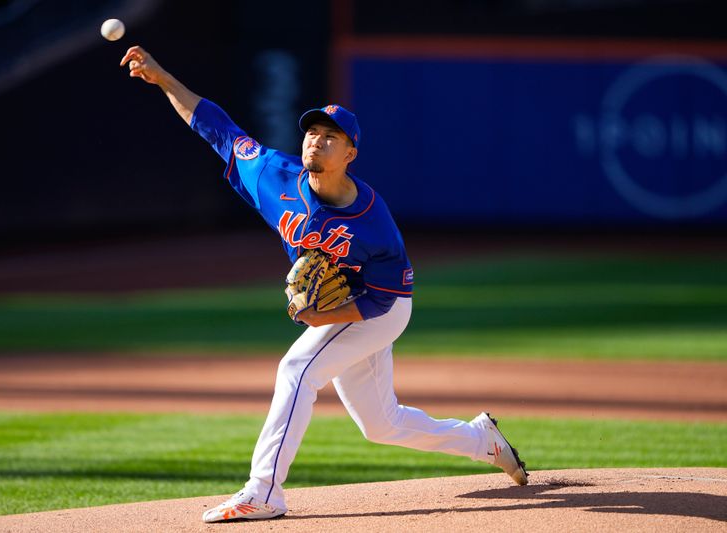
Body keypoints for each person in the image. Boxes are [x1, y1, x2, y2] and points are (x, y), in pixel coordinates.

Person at [120, 45, 528, 523]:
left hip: (380, 309)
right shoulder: (273, 174)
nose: (316, 139)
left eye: (330, 136)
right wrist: (164, 77)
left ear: (350, 153)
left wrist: (319, 316)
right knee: (381, 423)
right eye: (312, 131)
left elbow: (383, 300)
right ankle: (482, 439)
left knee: (297, 369)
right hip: (353, 308)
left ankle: (264, 492)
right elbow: (217, 128)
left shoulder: (373, 224)